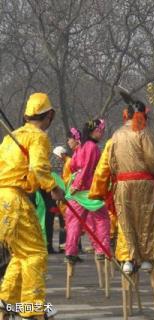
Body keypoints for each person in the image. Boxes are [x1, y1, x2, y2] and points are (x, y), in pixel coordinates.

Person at [0, 92, 64, 319]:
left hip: (3, 199)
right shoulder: (38, 136)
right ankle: (32, 311)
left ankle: (6, 303)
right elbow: (38, 168)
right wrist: (53, 188)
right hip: (15, 199)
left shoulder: (11, 137)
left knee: (21, 254)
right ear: (49, 116)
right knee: (36, 253)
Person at [108, 98, 154, 273]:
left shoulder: (117, 134)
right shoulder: (143, 131)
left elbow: (111, 162)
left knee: (126, 220)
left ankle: (128, 258)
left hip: (122, 183)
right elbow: (153, 158)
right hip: (143, 182)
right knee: (146, 219)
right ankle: (147, 258)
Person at [64, 119, 110, 264]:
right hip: (88, 189)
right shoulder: (90, 146)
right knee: (101, 218)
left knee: (74, 221)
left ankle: (70, 251)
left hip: (77, 191)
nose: (101, 133)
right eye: (99, 130)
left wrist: (75, 185)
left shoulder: (81, 147)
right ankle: (102, 250)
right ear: (92, 131)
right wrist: (78, 184)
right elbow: (87, 168)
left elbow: (75, 168)